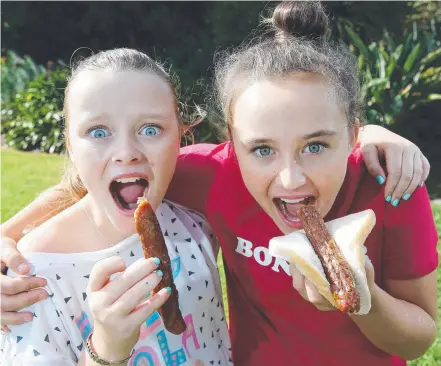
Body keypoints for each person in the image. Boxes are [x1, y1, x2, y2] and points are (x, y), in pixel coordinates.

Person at [0, 2, 437, 365]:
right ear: (232, 146)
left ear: (353, 135)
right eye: (262, 149)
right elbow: (101, 178)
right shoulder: (213, 176)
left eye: (317, 145)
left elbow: (418, 340)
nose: (290, 177)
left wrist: (364, 299)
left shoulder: (392, 188)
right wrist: (8, 235)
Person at [0, 48, 231, 365]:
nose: (127, 152)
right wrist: (106, 349)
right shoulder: (32, 276)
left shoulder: (195, 223)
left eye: (150, 129)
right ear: (70, 144)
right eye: (98, 132)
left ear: (181, 135)